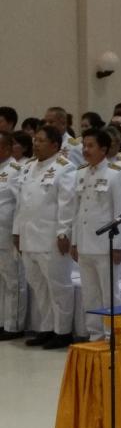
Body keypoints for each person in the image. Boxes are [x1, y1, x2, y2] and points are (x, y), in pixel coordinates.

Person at [12, 125, 77, 349]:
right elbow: (21, 204)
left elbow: (67, 203)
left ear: (55, 145)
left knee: (58, 286)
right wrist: (17, 231)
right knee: (38, 286)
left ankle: (63, 331)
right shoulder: (28, 167)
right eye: (35, 140)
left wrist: (64, 232)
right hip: (29, 236)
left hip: (51, 237)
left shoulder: (64, 168)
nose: (36, 144)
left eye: (41, 141)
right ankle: (47, 328)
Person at [70, 129, 121, 340]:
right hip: (85, 243)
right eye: (84, 146)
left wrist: (118, 246)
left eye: (91, 146)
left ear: (103, 149)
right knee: (90, 293)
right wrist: (75, 241)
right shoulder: (80, 173)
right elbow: (77, 211)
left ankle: (112, 334)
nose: (85, 150)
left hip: (106, 244)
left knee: (109, 293)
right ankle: (95, 334)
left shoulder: (116, 174)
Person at [0, 133, 24, 340]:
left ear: (7, 148)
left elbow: (20, 205)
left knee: (12, 281)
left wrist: (17, 232)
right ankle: (1, 321)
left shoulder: (15, 170)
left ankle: (13, 325)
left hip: (7, 233)